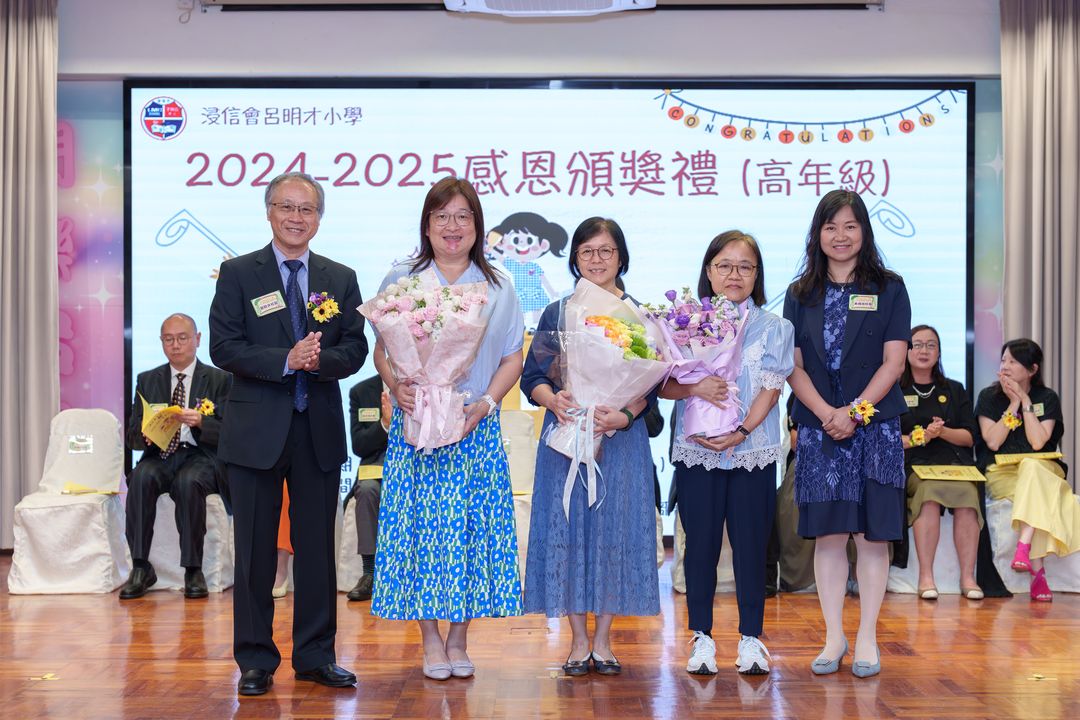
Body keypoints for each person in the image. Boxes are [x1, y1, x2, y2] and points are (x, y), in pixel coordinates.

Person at [209, 172, 368, 696]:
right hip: (255, 431)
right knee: (255, 551)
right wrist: (285, 359)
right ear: (269, 212)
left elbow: (356, 348)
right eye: (286, 207)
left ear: (318, 218)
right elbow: (223, 347)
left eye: (307, 209)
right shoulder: (239, 273)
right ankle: (255, 659)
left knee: (317, 550)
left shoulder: (340, 277)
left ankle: (316, 656)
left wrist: (318, 361)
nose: (296, 217)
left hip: (317, 430)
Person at [370, 177, 524, 681]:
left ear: (477, 226)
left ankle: (459, 637)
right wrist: (397, 386)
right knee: (419, 534)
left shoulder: (499, 286)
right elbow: (382, 350)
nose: (452, 227)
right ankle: (430, 640)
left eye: (462, 216)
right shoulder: (403, 277)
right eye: (442, 217)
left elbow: (512, 356)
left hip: (473, 425)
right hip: (417, 426)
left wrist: (486, 403)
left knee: (471, 534)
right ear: (427, 225)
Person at [522, 217, 660, 678]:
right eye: (587, 251)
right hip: (566, 437)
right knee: (569, 532)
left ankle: (604, 640)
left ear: (621, 257)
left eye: (605, 251)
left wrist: (625, 415)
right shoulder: (557, 312)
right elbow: (532, 377)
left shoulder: (642, 316)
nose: (596, 260)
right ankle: (578, 640)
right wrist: (553, 399)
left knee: (613, 535)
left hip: (620, 440)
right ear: (575, 258)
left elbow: (655, 385)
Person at [784, 189, 910, 679]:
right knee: (830, 536)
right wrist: (825, 413)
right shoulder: (800, 293)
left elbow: (894, 362)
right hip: (820, 430)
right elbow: (793, 365)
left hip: (874, 429)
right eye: (831, 226)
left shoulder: (889, 287)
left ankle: (867, 638)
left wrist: (854, 414)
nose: (840, 236)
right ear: (818, 234)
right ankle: (834, 636)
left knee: (872, 538)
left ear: (864, 232)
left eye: (850, 226)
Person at [662, 231, 794, 676]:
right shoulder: (683, 322)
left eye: (745, 267)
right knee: (699, 545)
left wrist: (741, 432)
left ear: (757, 275)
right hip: (697, 448)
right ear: (709, 270)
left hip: (751, 449)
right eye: (724, 265)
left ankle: (751, 638)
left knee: (751, 546)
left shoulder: (775, 327)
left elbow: (771, 391)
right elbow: (663, 385)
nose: (734, 274)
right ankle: (701, 636)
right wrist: (694, 388)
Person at [120, 312, 232, 601]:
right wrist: (146, 434)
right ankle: (141, 567)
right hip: (160, 454)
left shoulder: (220, 380)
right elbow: (132, 437)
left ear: (197, 339)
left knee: (188, 481)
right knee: (141, 477)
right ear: (161, 342)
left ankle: (193, 569)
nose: (176, 345)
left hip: (200, 455)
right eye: (168, 339)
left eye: (182, 338)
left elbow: (232, 433)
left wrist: (202, 422)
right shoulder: (147, 380)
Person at [976, 338, 1079, 602]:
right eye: (1003, 360)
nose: (1005, 366)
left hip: (1043, 468)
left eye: (1013, 361)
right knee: (1039, 497)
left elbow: (1037, 442)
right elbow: (993, 442)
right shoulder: (989, 397)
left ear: (1032, 369)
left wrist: (1024, 399)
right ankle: (1038, 572)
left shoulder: (1047, 397)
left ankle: (1024, 546)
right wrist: (1012, 404)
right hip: (1003, 471)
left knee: (1032, 466)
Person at [899, 325, 983, 600]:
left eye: (931, 345)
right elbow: (888, 439)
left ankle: (968, 577)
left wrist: (941, 432)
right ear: (906, 350)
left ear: (939, 352)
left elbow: (969, 437)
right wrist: (922, 437)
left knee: (968, 494)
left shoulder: (954, 389)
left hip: (953, 463)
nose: (924, 350)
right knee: (929, 492)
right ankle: (926, 576)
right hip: (916, 464)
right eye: (917, 344)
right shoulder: (894, 389)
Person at [344, 374, 390, 602]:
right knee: (367, 489)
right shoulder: (361, 391)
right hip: (375, 468)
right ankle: (369, 573)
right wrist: (385, 424)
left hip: (415, 465)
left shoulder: (424, 384)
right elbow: (359, 445)